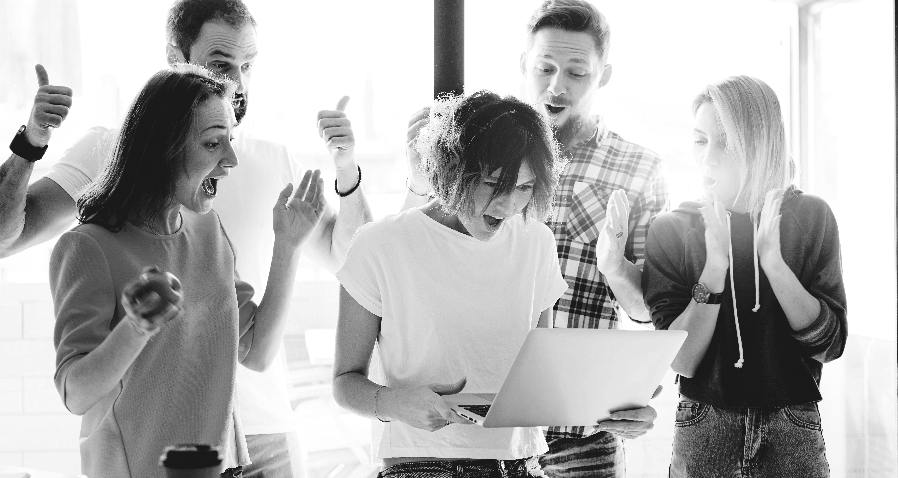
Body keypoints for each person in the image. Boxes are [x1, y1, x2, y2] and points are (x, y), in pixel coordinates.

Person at [0, 1, 372, 475]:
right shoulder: (94, 218)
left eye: (248, 65)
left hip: (239, 447)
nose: (238, 82)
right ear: (177, 57)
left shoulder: (212, 223)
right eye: (221, 63)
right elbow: (75, 387)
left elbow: (347, 269)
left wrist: (323, 199)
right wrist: (30, 142)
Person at [402, 2, 668, 475]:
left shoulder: (640, 168)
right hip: (486, 435)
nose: (557, 86)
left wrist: (614, 267)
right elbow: (417, 258)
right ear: (523, 64)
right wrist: (419, 179)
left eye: (576, 72)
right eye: (545, 68)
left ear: (604, 75)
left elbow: (647, 310)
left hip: (585, 434)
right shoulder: (475, 152)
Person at [51, 64, 324, 478]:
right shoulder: (88, 247)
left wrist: (288, 246)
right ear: (163, 147)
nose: (231, 159)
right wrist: (137, 326)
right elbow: (76, 393)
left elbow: (257, 352)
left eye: (230, 140)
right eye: (213, 143)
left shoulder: (208, 229)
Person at [642, 75, 847, 477]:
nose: (708, 158)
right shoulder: (672, 229)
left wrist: (775, 266)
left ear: (762, 143)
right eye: (700, 140)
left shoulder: (811, 217)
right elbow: (682, 361)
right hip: (704, 423)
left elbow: (830, 345)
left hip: (794, 425)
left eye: (727, 142)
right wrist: (714, 269)